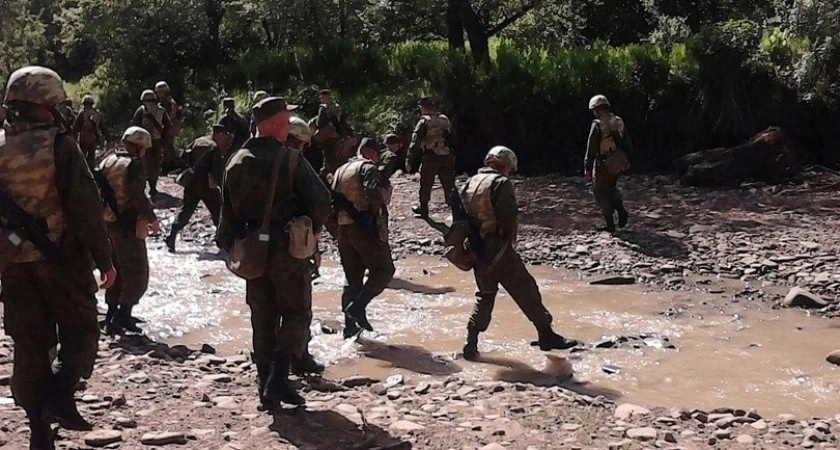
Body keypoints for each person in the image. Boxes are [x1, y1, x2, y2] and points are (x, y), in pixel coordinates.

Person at [0, 66, 116, 449]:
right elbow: (85, 209)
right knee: (82, 331)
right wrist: (105, 260)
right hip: (61, 259)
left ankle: (38, 428)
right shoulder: (60, 145)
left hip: (13, 265)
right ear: (46, 104)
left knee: (30, 344)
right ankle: (60, 398)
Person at [218, 97, 332, 408]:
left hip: (253, 250)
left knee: (262, 316)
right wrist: (314, 232)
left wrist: (229, 246)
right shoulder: (290, 158)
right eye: (285, 120)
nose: (287, 125)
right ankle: (279, 380)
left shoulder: (235, 160)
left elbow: (226, 212)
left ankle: (264, 385)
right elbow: (322, 200)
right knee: (296, 313)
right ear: (276, 122)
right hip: (288, 250)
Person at [455, 146, 578, 360]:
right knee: (525, 288)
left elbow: (459, 215)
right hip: (497, 246)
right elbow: (508, 216)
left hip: (474, 248)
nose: (509, 172)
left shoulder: (469, 182)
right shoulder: (501, 183)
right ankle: (546, 335)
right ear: (505, 165)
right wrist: (510, 238)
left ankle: (471, 343)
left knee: (485, 294)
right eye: (509, 168)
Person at [98, 127, 161, 334]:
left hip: (108, 222)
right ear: (140, 146)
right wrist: (152, 218)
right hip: (128, 224)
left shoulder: (108, 160)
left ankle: (111, 314)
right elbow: (137, 194)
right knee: (137, 271)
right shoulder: (134, 165)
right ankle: (123, 315)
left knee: (116, 269)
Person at [331, 138, 396, 338]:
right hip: (364, 227)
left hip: (343, 229)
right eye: (377, 154)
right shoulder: (368, 168)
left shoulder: (340, 170)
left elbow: (331, 199)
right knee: (384, 270)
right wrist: (376, 209)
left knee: (352, 279)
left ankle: (350, 328)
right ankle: (358, 306)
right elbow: (371, 192)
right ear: (371, 153)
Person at [165, 124, 232, 253]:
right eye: (225, 135)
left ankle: (171, 236)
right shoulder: (214, 148)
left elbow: (184, 157)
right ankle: (222, 242)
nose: (225, 139)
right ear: (219, 134)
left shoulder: (198, 141)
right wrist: (223, 186)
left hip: (192, 183)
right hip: (207, 185)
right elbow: (217, 171)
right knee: (218, 211)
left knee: (185, 211)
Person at [584, 95, 632, 232]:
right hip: (617, 162)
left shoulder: (597, 124)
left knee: (600, 192)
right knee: (611, 187)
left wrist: (587, 167)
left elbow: (591, 147)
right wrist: (627, 159)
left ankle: (610, 224)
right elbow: (628, 142)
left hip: (603, 163)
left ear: (596, 109)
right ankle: (621, 210)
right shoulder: (618, 121)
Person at [407, 97, 455, 217]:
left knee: (426, 183)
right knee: (449, 184)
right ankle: (456, 210)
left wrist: (409, 159)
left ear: (423, 107)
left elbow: (415, 142)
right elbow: (453, 138)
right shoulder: (444, 119)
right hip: (446, 154)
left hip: (431, 155)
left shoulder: (424, 121)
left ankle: (423, 209)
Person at [132, 89, 172, 197]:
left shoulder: (141, 110)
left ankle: (150, 186)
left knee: (146, 164)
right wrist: (165, 138)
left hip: (145, 141)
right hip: (157, 140)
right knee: (155, 164)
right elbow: (168, 126)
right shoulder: (161, 110)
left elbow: (134, 125)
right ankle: (153, 186)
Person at [313, 89, 355, 179]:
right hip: (339, 137)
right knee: (339, 158)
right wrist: (351, 135)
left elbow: (319, 123)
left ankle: (323, 178)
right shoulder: (337, 107)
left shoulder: (323, 108)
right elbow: (344, 123)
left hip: (329, 137)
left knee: (328, 159)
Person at [154, 81, 183, 173]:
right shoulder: (166, 102)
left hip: (169, 128)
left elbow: (171, 116)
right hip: (169, 128)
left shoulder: (169, 103)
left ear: (164, 92)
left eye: (159, 92)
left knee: (166, 148)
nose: (158, 94)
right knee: (168, 148)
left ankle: (171, 167)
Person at [72, 94, 107, 165]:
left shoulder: (82, 113)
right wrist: (108, 139)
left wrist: (73, 139)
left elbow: (76, 128)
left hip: (83, 139)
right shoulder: (97, 114)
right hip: (93, 139)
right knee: (91, 158)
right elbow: (103, 128)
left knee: (82, 158)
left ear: (84, 104)